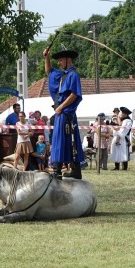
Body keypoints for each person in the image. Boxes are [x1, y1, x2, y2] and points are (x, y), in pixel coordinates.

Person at [43, 44, 85, 180]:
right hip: (62, 113)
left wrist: (61, 107)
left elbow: (74, 94)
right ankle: (75, 171)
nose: (59, 63)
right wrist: (47, 57)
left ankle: (57, 171)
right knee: (65, 142)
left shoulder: (73, 75)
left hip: (66, 113)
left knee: (61, 141)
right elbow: (49, 71)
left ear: (68, 60)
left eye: (61, 60)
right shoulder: (62, 75)